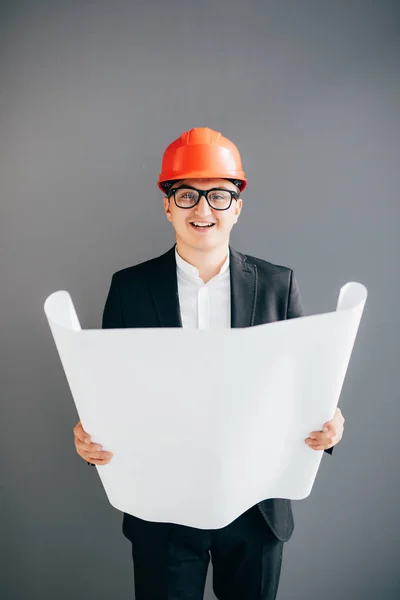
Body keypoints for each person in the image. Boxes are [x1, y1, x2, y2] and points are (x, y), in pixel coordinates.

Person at [73, 127, 345, 599]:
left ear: (237, 206)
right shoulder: (130, 288)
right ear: (167, 205)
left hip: (256, 507)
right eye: (187, 195)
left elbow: (307, 386)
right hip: (162, 507)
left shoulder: (279, 284)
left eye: (218, 195)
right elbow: (111, 389)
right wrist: (90, 430)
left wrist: (331, 421)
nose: (202, 210)